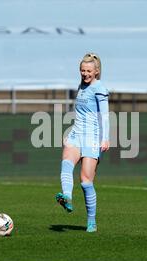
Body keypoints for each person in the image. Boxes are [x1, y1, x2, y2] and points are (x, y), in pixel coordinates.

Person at [55, 53, 110, 232]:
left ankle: (91, 221)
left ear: (96, 72)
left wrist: (105, 138)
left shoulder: (99, 88)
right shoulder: (81, 86)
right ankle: (67, 198)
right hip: (77, 134)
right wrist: (70, 131)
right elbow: (80, 114)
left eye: (88, 71)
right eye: (82, 70)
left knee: (86, 181)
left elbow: (105, 116)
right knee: (66, 163)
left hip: (93, 137)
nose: (85, 74)